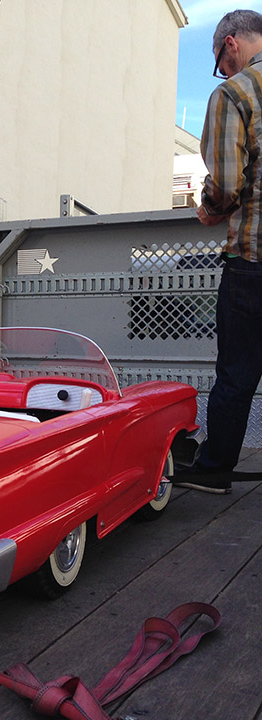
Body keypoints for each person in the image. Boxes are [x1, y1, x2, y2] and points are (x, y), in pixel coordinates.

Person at [174, 10, 262, 494]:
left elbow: (227, 184)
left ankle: (215, 471)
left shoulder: (236, 92)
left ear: (230, 44)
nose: (222, 73)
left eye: (219, 63)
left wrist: (208, 209)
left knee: (236, 372)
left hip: (253, 259)